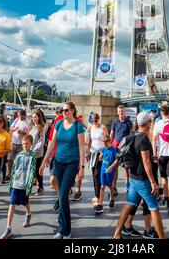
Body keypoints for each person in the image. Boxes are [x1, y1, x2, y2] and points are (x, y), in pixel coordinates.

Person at [114, 112, 166, 239]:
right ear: (147, 123)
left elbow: (139, 157)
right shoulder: (144, 139)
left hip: (133, 177)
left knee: (129, 204)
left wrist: (150, 156)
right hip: (143, 180)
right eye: (150, 122)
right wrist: (153, 182)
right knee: (154, 208)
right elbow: (146, 163)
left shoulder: (133, 136)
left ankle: (117, 234)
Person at [40, 101, 85, 239]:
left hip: (72, 163)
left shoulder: (78, 126)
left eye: (66, 110)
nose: (63, 113)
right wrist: (44, 161)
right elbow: (52, 143)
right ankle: (62, 226)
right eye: (62, 111)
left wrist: (82, 168)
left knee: (64, 194)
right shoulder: (59, 124)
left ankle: (66, 230)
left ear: (72, 110)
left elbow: (81, 147)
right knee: (61, 195)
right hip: (58, 162)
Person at [0, 134, 37, 239]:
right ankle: (8, 228)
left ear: (31, 144)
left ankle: (28, 214)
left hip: (25, 184)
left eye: (27, 143)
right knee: (12, 204)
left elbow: (32, 171)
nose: (25, 145)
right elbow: (14, 169)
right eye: (23, 143)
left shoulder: (33, 156)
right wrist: (11, 183)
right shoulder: (19, 155)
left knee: (25, 202)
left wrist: (29, 187)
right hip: (17, 183)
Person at [152, 105, 169, 215]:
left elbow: (154, 140)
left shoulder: (158, 124)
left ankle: (167, 198)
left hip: (162, 155)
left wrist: (155, 154)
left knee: (164, 179)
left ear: (161, 113)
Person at [86, 113, 109, 208]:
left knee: (97, 174)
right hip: (93, 153)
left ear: (99, 119)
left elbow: (107, 141)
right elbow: (90, 141)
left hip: (100, 153)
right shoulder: (91, 127)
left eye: (96, 121)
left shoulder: (103, 128)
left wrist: (104, 152)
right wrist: (87, 151)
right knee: (93, 174)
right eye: (93, 121)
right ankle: (96, 195)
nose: (95, 123)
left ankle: (98, 197)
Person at [110, 105, 133, 195]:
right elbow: (112, 133)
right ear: (117, 112)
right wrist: (110, 145)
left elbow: (131, 134)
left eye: (122, 111)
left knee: (125, 167)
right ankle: (114, 187)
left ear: (124, 112)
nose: (121, 113)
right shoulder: (115, 122)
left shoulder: (128, 122)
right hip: (116, 146)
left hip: (125, 147)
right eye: (119, 111)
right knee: (115, 167)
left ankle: (127, 184)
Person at [95, 135, 118, 214]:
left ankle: (111, 199)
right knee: (102, 186)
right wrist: (100, 157)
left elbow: (116, 160)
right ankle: (100, 204)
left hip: (110, 171)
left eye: (105, 144)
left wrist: (111, 167)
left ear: (109, 142)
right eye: (103, 144)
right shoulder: (104, 149)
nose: (104, 145)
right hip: (103, 170)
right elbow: (101, 156)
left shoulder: (113, 150)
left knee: (110, 186)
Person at [7, 110, 29, 180]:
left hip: (21, 144)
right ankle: (9, 173)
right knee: (10, 159)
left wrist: (21, 132)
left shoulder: (27, 122)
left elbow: (27, 133)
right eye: (19, 115)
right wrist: (15, 129)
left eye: (21, 116)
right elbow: (11, 127)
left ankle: (16, 174)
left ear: (24, 115)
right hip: (13, 142)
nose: (20, 117)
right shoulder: (17, 119)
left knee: (18, 160)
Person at [28, 110, 45, 196]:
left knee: (38, 172)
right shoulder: (32, 127)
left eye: (35, 117)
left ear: (39, 118)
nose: (34, 119)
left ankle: (41, 187)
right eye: (33, 117)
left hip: (37, 154)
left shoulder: (41, 127)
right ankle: (29, 188)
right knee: (31, 171)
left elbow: (41, 142)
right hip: (30, 153)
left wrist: (34, 150)